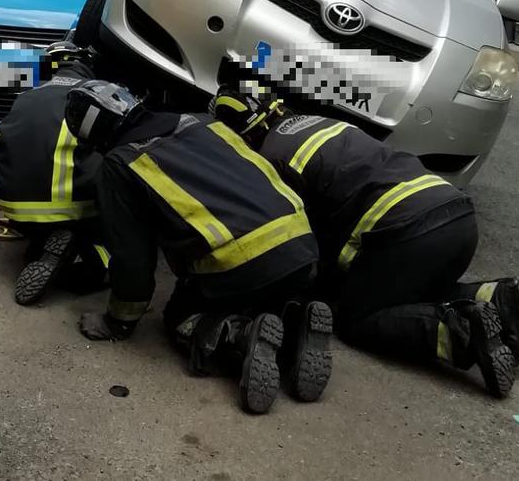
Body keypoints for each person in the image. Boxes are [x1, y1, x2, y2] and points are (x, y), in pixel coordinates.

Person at [211, 86, 519, 398]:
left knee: (357, 319)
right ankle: (499, 299)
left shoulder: (273, 160)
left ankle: (460, 335)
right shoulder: (322, 124)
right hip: (457, 218)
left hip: (407, 232)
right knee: (403, 293)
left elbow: (297, 246)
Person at [65, 81, 330, 415]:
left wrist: (118, 321)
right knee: (268, 294)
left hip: (240, 262)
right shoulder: (204, 123)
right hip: (301, 244)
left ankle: (239, 336)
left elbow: (133, 256)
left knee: (180, 317)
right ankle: (294, 327)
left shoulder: (120, 164)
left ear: (92, 133)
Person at [0, 42, 107, 305]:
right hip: (68, 206)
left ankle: (42, 246)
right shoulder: (96, 96)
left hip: (14, 208)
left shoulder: (28, 94)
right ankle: (88, 255)